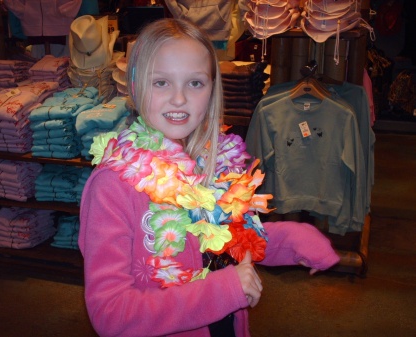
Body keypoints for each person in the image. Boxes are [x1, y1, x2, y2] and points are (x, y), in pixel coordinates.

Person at [79, 18, 340, 337]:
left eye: (195, 83)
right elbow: (111, 314)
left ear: (212, 90)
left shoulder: (213, 164)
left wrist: (290, 239)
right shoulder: (113, 187)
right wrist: (224, 290)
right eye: (161, 82)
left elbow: (233, 235)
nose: (179, 99)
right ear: (135, 86)